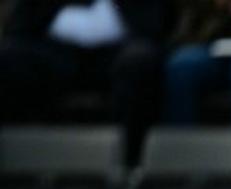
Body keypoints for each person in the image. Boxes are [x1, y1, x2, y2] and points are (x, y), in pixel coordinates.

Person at [0, 0, 172, 163]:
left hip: (119, 51)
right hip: (54, 50)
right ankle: (18, 159)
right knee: (10, 59)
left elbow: (155, 26)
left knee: (140, 62)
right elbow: (19, 26)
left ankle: (130, 161)